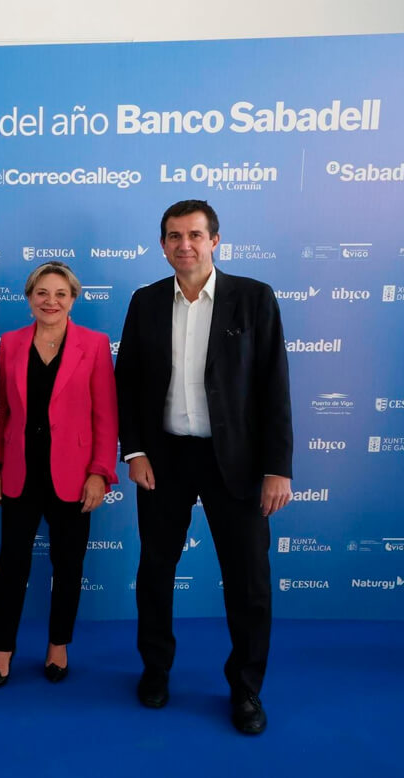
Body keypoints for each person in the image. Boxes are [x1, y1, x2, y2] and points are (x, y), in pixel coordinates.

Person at [115, 199, 292, 735]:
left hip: (234, 462)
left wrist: (277, 468)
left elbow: (273, 388)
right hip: (164, 459)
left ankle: (245, 689)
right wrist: (135, 450)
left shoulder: (254, 298)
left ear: (216, 240)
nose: (184, 244)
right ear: (162, 244)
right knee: (155, 572)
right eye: (173, 236)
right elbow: (128, 384)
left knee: (249, 583)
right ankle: (155, 670)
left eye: (194, 234)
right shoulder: (145, 301)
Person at [0, 262, 118, 689]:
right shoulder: (12, 345)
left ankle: (58, 645)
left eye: (60, 293)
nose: (51, 301)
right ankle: (2, 650)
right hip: (21, 473)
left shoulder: (94, 346)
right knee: (12, 566)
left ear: (73, 299)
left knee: (69, 564)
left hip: (75, 477)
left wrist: (100, 473)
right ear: (29, 298)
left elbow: (105, 416)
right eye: (42, 293)